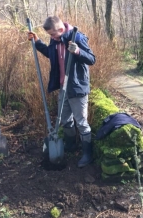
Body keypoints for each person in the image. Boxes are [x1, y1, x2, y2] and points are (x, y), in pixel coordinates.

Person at [28, 16, 96, 167]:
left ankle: (87, 154)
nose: (51, 37)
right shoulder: (55, 40)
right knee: (65, 119)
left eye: (52, 34)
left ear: (60, 29)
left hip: (77, 88)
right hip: (63, 87)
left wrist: (78, 51)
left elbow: (92, 59)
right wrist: (38, 42)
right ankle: (71, 146)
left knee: (82, 123)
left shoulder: (77, 37)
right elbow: (51, 54)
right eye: (50, 35)